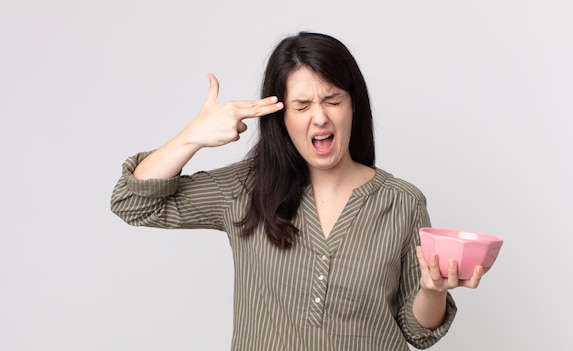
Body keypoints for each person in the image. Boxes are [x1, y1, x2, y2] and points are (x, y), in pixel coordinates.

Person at [110, 31, 483, 351]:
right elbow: (132, 202)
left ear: (354, 106)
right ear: (282, 116)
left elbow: (417, 333)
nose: (319, 117)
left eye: (333, 100)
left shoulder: (402, 202)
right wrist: (192, 137)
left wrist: (433, 290)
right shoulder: (245, 188)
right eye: (302, 106)